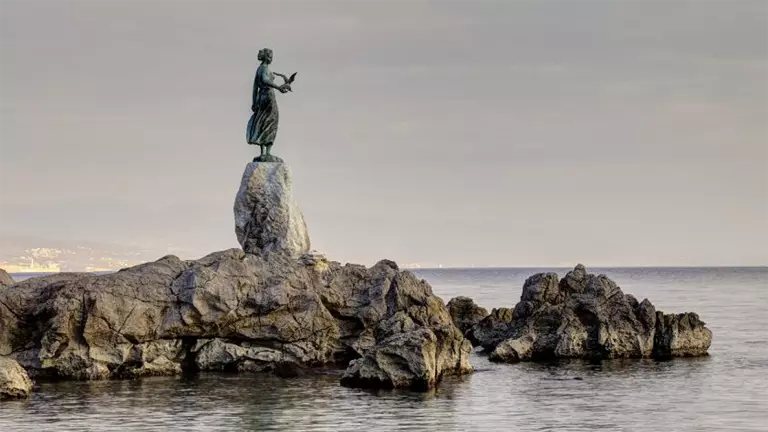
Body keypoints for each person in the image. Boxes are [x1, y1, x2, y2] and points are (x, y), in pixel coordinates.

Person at [246, 48, 291, 160]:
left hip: (263, 97)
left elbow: (255, 87)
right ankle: (266, 153)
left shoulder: (260, 69)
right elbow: (265, 81)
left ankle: (265, 153)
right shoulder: (263, 68)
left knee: (264, 121)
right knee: (270, 121)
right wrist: (278, 87)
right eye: (270, 57)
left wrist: (254, 101)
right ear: (265, 57)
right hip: (268, 97)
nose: (271, 59)